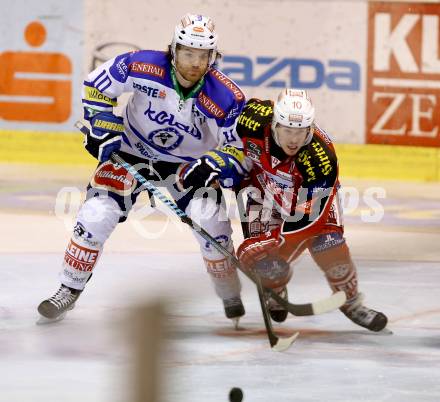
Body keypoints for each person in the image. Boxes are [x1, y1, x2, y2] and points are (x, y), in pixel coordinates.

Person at [38, 13, 250, 323]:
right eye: (188, 53)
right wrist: (102, 125)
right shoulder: (141, 65)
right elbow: (97, 86)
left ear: (213, 57)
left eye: (203, 55)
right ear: (173, 49)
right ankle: (68, 289)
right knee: (96, 215)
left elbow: (235, 148)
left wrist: (215, 162)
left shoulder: (227, 97)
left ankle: (229, 291)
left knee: (212, 224)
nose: (194, 62)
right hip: (131, 152)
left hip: (187, 166)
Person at [234, 89, 388, 331]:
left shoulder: (320, 157)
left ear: (310, 128)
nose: (294, 139)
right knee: (264, 260)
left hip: (310, 208)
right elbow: (222, 132)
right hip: (262, 192)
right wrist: (214, 164)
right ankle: (274, 289)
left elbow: (310, 221)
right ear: (275, 125)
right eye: (287, 130)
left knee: (329, 245)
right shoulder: (252, 118)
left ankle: (350, 302)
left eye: (301, 131)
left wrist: (276, 248)